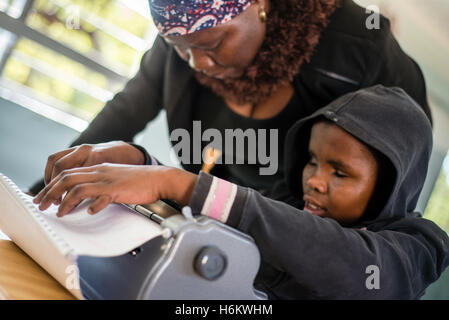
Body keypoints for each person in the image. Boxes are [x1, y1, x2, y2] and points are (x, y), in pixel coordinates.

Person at [34, 85, 449, 299]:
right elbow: (229, 207)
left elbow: (351, 267)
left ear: (390, 185)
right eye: (312, 160)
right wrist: (142, 164)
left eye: (340, 172)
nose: (315, 180)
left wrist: (175, 181)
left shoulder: (417, 249)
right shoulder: (294, 208)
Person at [29, 0, 431, 196]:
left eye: (214, 43)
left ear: (259, 5)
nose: (197, 63)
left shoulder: (359, 50)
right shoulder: (181, 47)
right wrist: (46, 189)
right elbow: (125, 111)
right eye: (180, 48)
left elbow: (403, 164)